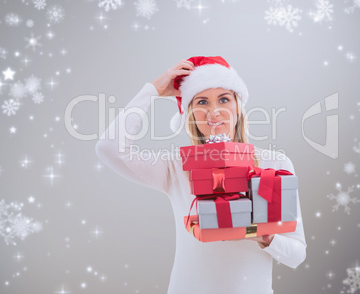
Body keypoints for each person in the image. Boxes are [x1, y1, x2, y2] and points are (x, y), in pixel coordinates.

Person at [95, 56, 307, 294]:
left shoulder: (275, 164)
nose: (213, 111)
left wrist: (263, 237)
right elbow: (109, 148)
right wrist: (153, 90)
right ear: (190, 113)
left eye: (224, 99)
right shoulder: (177, 166)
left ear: (238, 106)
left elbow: (297, 254)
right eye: (202, 101)